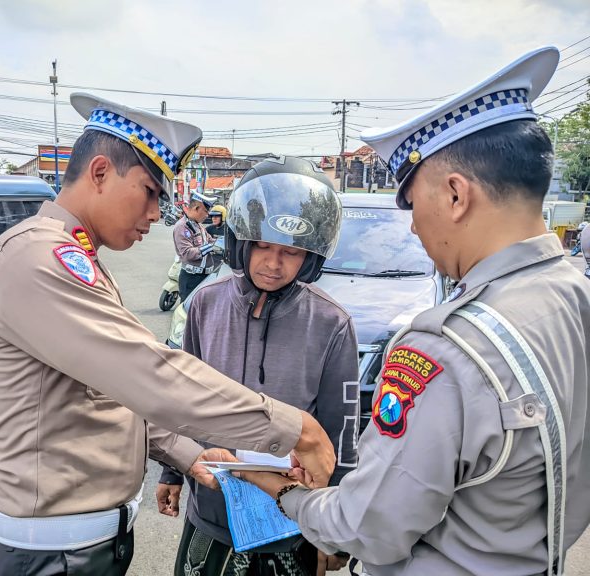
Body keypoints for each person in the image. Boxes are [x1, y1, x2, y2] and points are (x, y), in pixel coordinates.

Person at [240, 46, 590, 576]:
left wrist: (288, 496)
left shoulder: (447, 349)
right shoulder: (573, 295)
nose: (412, 227)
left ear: (455, 194)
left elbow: (368, 527)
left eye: (410, 203)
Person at [0, 93, 336, 576]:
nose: (157, 213)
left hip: (75, 550)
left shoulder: (78, 260)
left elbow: (112, 392)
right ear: (99, 173)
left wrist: (191, 454)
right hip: (41, 557)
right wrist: (293, 428)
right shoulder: (39, 259)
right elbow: (151, 375)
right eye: (150, 192)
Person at [156, 156, 360, 576]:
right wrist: (171, 473)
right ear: (240, 242)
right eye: (262, 246)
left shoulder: (332, 324)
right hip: (212, 512)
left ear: (310, 257)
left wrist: (336, 528)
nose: (273, 263)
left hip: (293, 520)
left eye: (289, 251)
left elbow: (343, 431)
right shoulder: (205, 305)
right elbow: (179, 401)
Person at [173, 190, 221, 301]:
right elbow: (187, 253)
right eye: (206, 210)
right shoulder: (182, 227)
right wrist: (211, 247)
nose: (208, 215)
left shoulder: (199, 226)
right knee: (189, 314)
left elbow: (210, 240)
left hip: (204, 277)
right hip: (191, 278)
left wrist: (221, 242)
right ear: (196, 208)